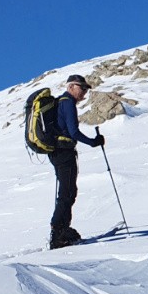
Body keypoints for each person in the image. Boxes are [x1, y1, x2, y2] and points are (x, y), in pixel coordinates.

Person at [47, 74, 105, 248]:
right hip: (64, 152)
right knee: (68, 192)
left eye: (86, 89)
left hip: (57, 151)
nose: (84, 93)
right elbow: (74, 132)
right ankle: (58, 234)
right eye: (82, 88)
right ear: (71, 86)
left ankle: (62, 229)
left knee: (67, 191)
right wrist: (94, 142)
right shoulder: (68, 103)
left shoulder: (60, 102)